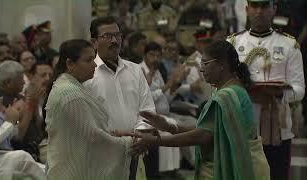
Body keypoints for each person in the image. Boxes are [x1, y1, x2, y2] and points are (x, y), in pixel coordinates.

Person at [125, 40, 270, 180]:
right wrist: (170, 126)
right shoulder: (230, 90)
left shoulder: (228, 95)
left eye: (206, 63)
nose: (201, 68)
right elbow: (209, 128)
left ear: (222, 65)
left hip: (238, 168)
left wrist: (156, 141)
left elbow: (202, 136)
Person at [227, 0, 305, 179]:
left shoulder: (288, 45)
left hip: (278, 128)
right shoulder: (232, 43)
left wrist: (278, 93)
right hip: (242, 125)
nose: (259, 11)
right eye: (254, 6)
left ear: (274, 9)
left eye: (264, 6)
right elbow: (221, 85)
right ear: (247, 9)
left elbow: (299, 89)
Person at [45, 39, 132, 179]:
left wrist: (116, 134)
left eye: (94, 58)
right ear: (70, 64)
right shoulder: (70, 93)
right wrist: (129, 144)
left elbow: (83, 130)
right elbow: (93, 137)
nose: (94, 64)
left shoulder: (68, 85)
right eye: (88, 60)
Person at [84, 16, 155, 180]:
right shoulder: (88, 75)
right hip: (102, 153)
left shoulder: (135, 70)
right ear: (94, 42)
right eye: (107, 36)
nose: (114, 40)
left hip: (135, 149)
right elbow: (86, 120)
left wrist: (140, 136)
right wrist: (114, 138)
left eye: (117, 35)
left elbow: (147, 110)